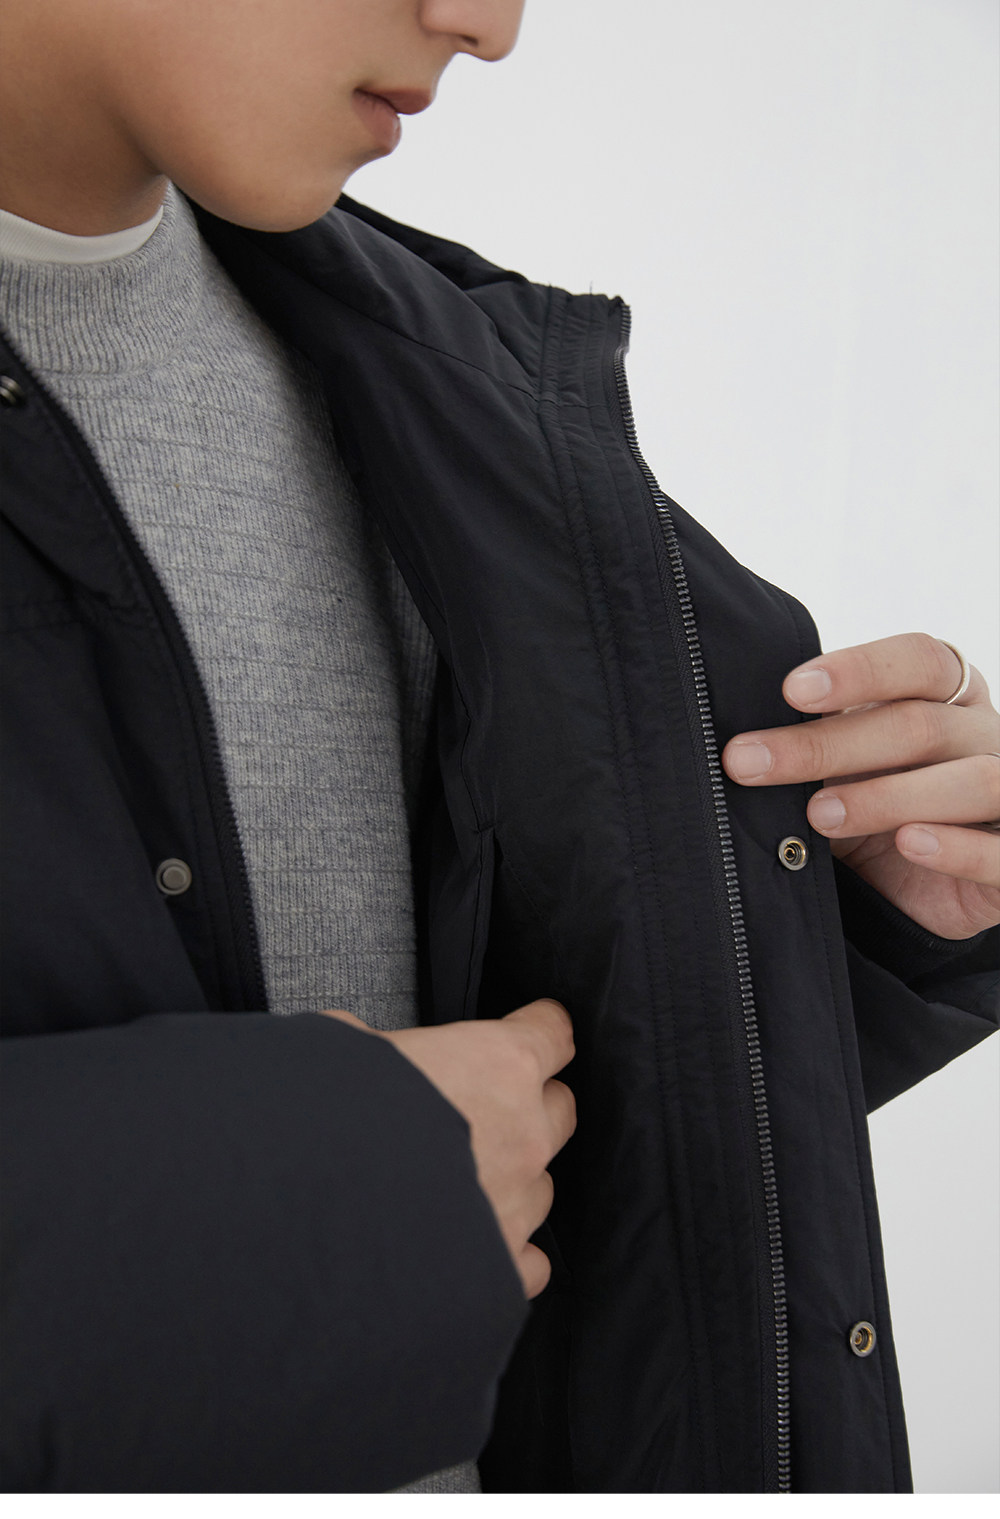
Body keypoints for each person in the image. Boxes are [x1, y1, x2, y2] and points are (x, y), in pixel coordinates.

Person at [0, 0, 997, 1495]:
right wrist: (291, 1202)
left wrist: (813, 919)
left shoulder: (452, 382)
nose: (488, 24)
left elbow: (495, 1100)